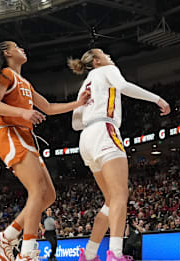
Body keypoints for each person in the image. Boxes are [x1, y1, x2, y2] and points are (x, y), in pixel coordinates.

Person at [0, 41, 90, 261]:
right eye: (17, 46)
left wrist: (77, 103)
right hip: (10, 134)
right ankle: (27, 252)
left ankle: (7, 236)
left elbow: (48, 107)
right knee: (37, 190)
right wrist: (23, 114)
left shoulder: (25, 83)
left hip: (26, 137)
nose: (23, 48)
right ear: (7, 53)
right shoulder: (5, 75)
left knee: (48, 195)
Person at [68, 48, 170, 261]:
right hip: (105, 130)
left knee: (110, 200)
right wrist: (157, 99)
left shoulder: (84, 84)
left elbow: (75, 124)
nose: (110, 56)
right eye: (105, 53)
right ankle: (115, 253)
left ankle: (88, 254)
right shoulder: (107, 69)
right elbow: (123, 86)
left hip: (85, 139)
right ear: (97, 61)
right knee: (120, 196)